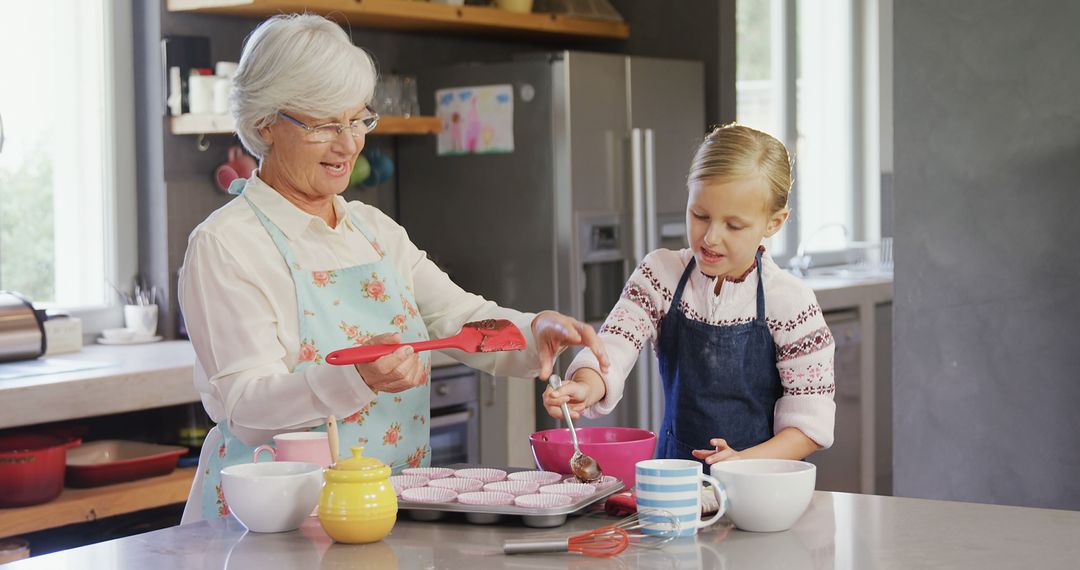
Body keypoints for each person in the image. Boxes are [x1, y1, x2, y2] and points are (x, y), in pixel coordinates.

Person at [177, 14, 608, 523]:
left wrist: (536, 331)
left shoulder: (372, 230)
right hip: (274, 529)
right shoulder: (226, 245)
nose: (349, 145)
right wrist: (358, 379)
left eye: (358, 119)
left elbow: (461, 319)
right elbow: (246, 409)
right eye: (324, 124)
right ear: (265, 122)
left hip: (383, 517)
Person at [543, 124, 835, 464]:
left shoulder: (790, 302)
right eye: (700, 215)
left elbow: (809, 425)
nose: (710, 237)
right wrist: (586, 384)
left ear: (774, 223)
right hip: (674, 482)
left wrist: (743, 463)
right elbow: (615, 344)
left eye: (733, 225)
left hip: (758, 492)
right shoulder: (661, 275)